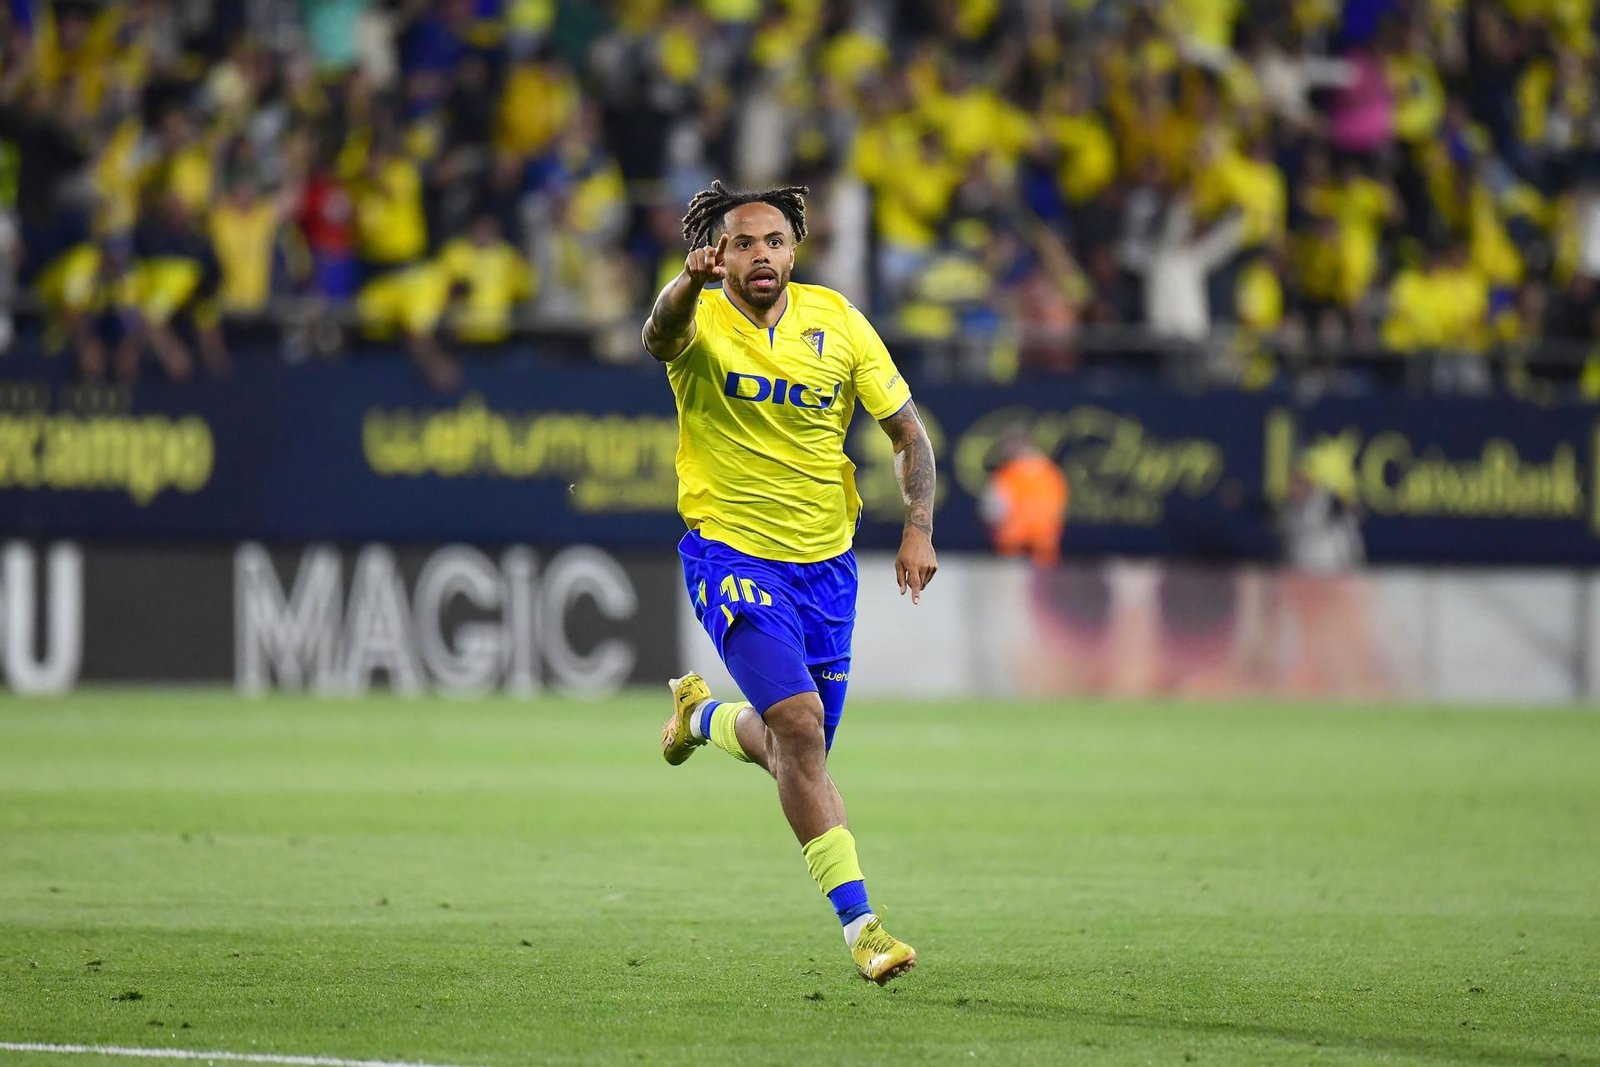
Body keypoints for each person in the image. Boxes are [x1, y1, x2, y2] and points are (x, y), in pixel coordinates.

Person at [642, 181, 937, 986]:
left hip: (827, 568)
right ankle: (864, 929)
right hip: (732, 555)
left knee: (792, 750)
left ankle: (701, 716)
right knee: (801, 731)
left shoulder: (836, 321)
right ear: (721, 254)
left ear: (793, 249)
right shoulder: (698, 316)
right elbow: (656, 331)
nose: (760, 254)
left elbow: (907, 432)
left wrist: (918, 525)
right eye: (743, 243)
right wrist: (682, 283)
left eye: (773, 240)